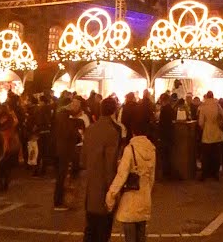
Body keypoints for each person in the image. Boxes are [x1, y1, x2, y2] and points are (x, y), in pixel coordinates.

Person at [106, 115, 156, 242]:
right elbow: (152, 177)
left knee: (130, 237)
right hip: (144, 197)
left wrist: (111, 195)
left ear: (133, 132)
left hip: (130, 200)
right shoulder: (152, 149)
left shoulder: (130, 149)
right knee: (141, 236)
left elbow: (122, 175)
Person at [81, 96, 121, 242]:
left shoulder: (90, 130)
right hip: (104, 191)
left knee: (90, 230)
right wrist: (113, 193)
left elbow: (83, 160)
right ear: (114, 111)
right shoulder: (112, 131)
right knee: (103, 233)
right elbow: (110, 166)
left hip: (91, 189)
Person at [53, 95, 83, 210]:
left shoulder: (62, 115)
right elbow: (69, 133)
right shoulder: (64, 116)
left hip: (62, 149)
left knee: (62, 176)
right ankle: (58, 202)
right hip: (63, 150)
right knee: (62, 176)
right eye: (75, 105)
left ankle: (60, 200)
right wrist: (78, 135)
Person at [197, 91, 223, 181]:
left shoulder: (203, 107)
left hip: (207, 132)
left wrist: (203, 127)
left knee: (206, 154)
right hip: (217, 132)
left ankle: (205, 173)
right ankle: (215, 173)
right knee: (216, 154)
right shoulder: (217, 105)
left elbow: (201, 122)